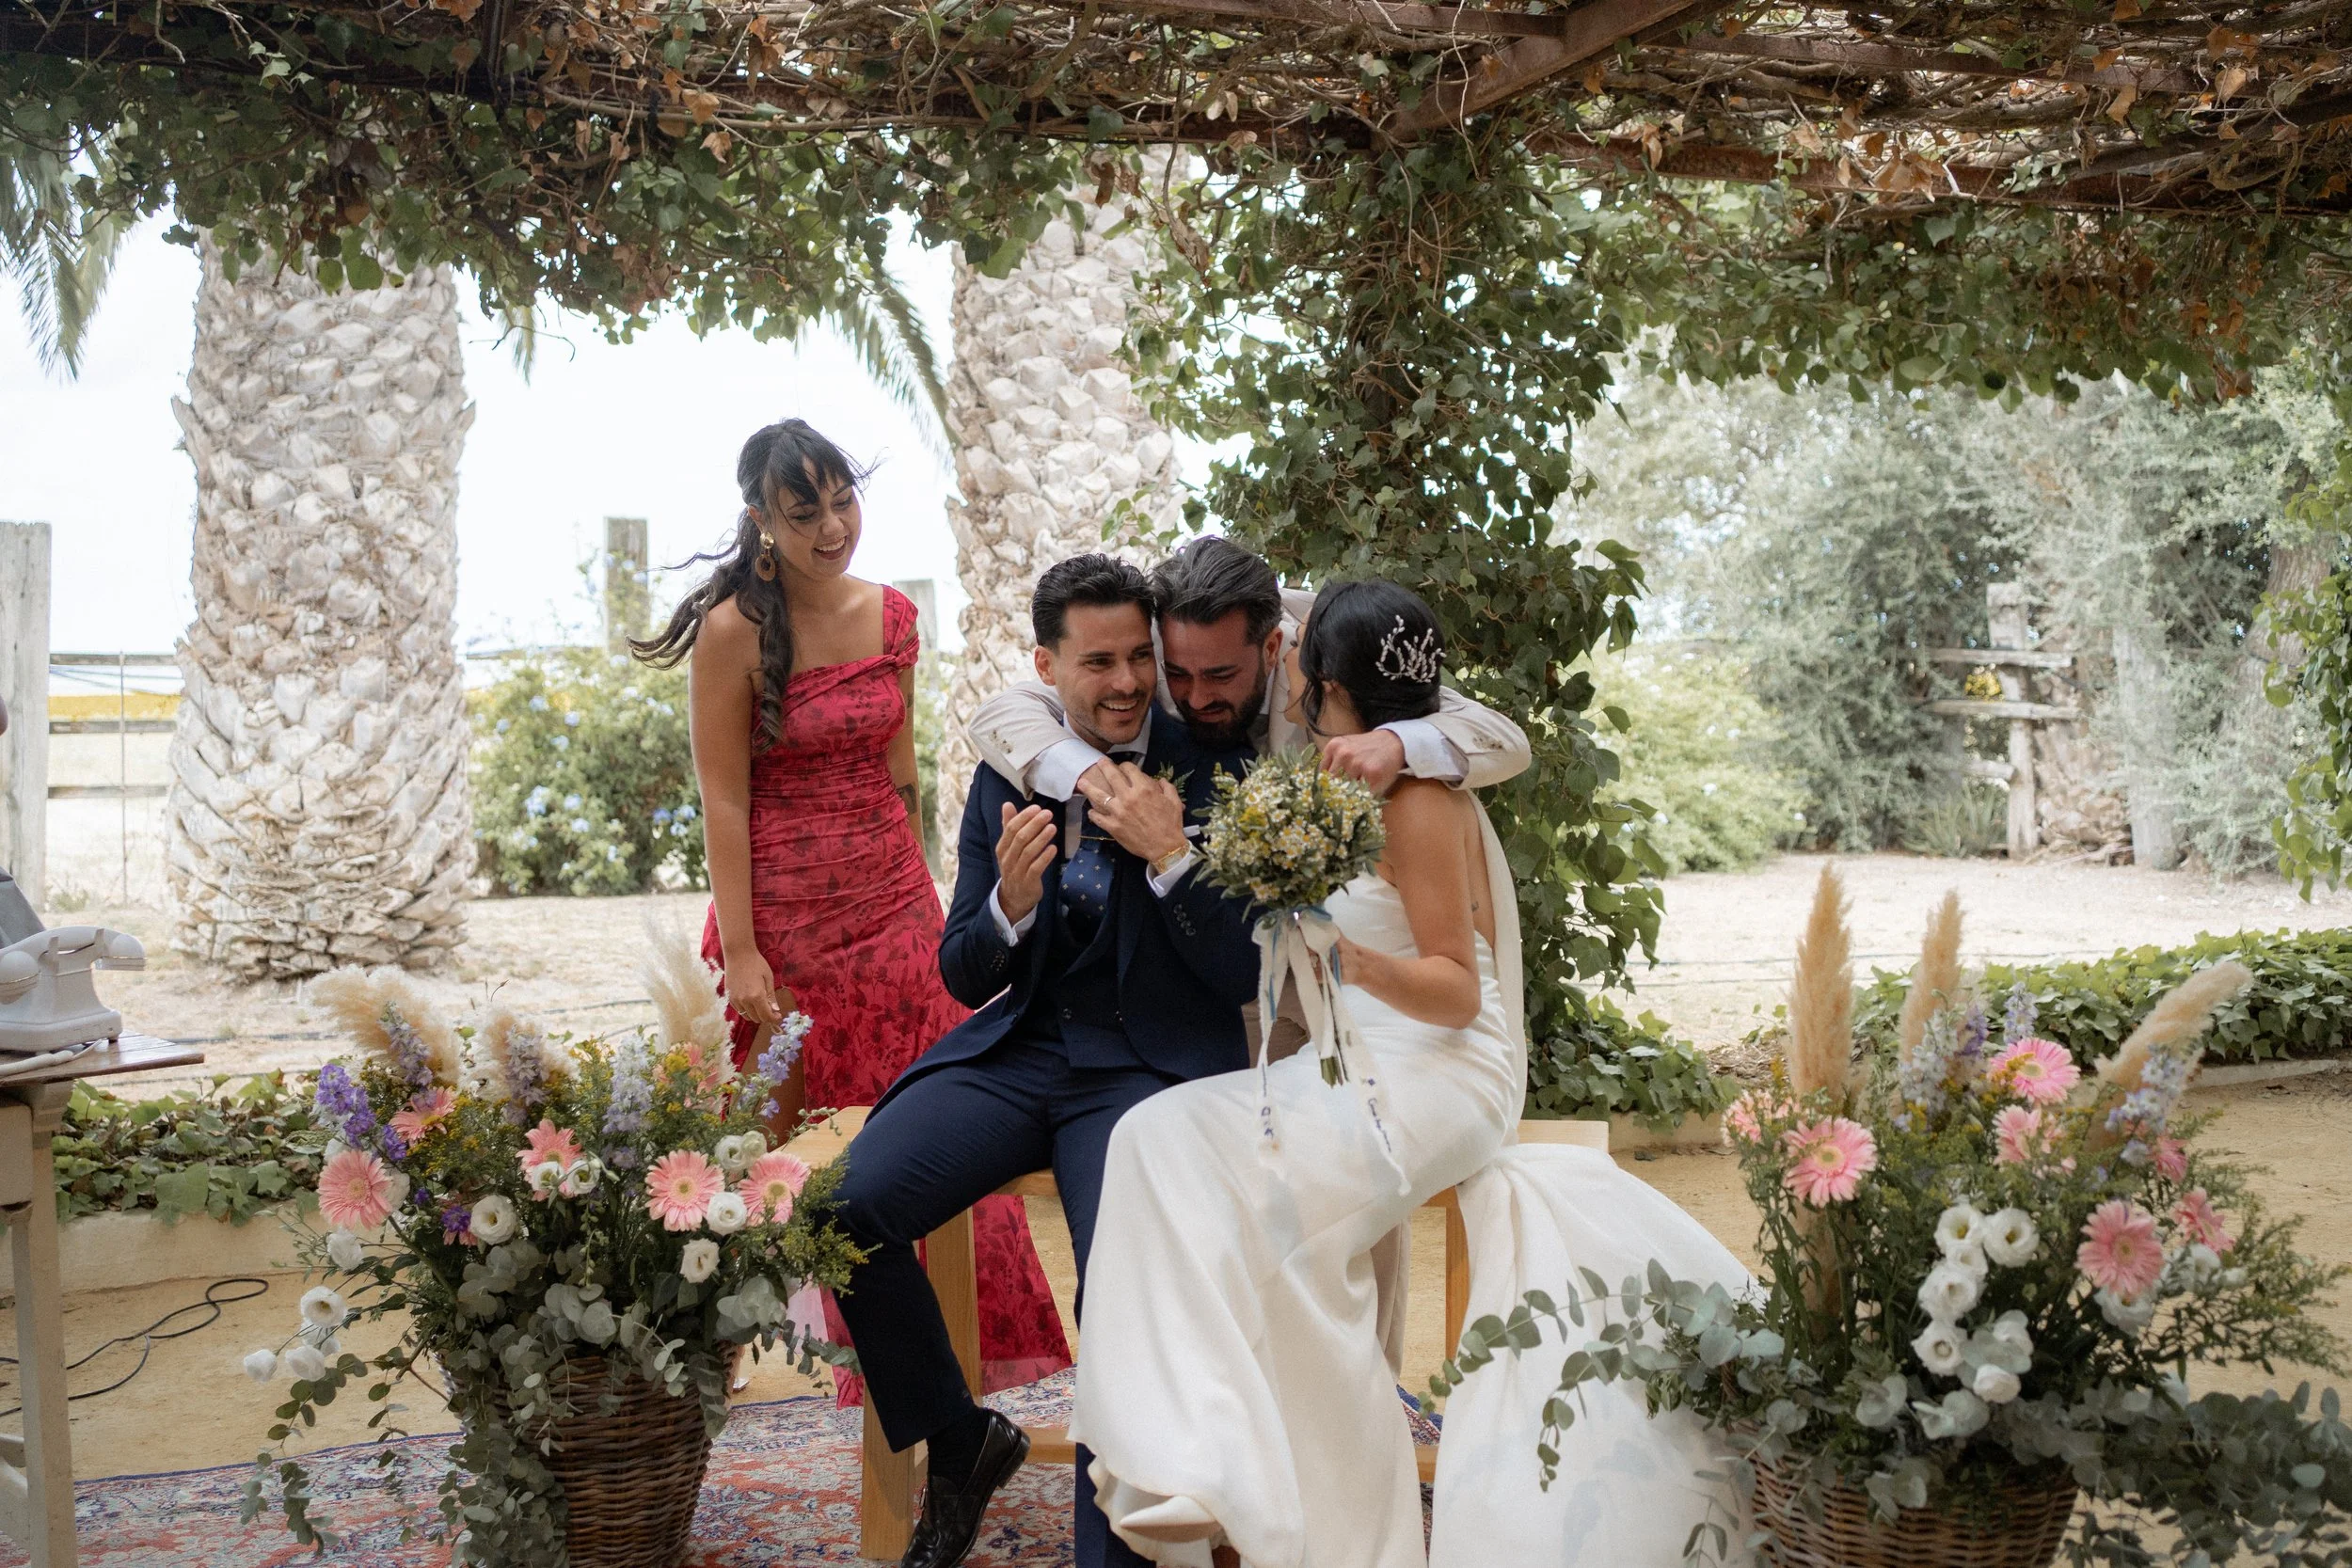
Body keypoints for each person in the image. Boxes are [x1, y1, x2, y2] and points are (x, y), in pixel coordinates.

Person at [1073, 579, 1751, 1568]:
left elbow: (1456, 992)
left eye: (1302, 665)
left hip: (1441, 1068)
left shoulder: (1421, 796)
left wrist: (1342, 957)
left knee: (1286, 1243)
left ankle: (1322, 1528)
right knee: (1151, 1135)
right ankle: (1181, 1461)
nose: (1287, 675)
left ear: (1329, 685)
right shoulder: (1331, 779)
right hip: (1351, 1058)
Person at [968, 536, 1534, 1372]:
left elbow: (1501, 737)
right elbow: (1001, 715)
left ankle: (1366, 1391)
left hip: (1367, 997)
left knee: (1349, 1193)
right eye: (1179, 673)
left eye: (1221, 676)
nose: (1194, 695)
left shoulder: (1332, 649)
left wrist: (1399, 743)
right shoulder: (1145, 649)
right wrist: (1093, 778)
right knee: (1220, 1170)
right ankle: (1210, 1387)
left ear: (1275, 646)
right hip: (1228, 971)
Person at [827, 554, 1263, 1568]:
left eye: (1137, 658)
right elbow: (961, 971)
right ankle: (958, 1436)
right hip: (1021, 1052)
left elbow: (1244, 968)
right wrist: (1006, 910)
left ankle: (1112, 1552)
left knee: (1118, 1288)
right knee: (842, 1212)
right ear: (1046, 666)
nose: (1126, 682)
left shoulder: (1212, 768)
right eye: (1097, 661)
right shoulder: (1008, 773)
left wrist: (1173, 857)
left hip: (1144, 1074)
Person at [634, 417, 1069, 1406]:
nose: (833, 527)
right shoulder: (731, 632)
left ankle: (954, 1369)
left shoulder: (893, 615)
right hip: (782, 925)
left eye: (843, 501)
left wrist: (928, 904)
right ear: (760, 518)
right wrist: (742, 949)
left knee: (938, 1126)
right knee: (747, 1152)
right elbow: (724, 798)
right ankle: (695, 1365)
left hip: (893, 912)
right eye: (805, 512)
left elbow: (903, 773)